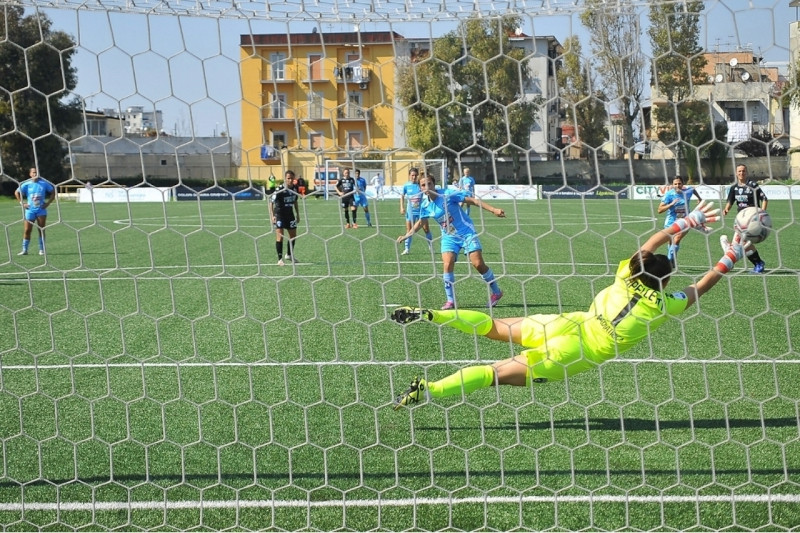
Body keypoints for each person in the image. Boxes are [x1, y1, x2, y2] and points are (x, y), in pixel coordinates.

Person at [391, 201, 748, 409]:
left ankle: (432, 314)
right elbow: (699, 288)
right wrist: (728, 258)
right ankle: (430, 389)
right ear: (664, 282)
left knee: (495, 327)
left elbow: (651, 244)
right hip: (577, 353)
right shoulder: (663, 305)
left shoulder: (625, 275)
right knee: (494, 373)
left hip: (567, 322)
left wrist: (687, 221)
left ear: (638, 268)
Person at [397, 174, 505, 310]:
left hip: (466, 232)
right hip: (449, 237)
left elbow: (473, 201)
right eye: (423, 185)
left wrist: (493, 210)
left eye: (429, 184)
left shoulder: (447, 194)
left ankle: (496, 292)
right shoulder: (425, 204)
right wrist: (407, 235)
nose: (427, 187)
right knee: (447, 264)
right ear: (420, 187)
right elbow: (420, 222)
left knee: (478, 264)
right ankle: (450, 301)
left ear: (434, 184)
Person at [721, 164, 768, 273]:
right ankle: (758, 263)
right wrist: (726, 209)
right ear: (736, 173)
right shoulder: (734, 187)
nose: (741, 173)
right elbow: (730, 201)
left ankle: (730, 261)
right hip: (740, 220)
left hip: (751, 220)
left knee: (739, 243)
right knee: (744, 244)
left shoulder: (753, 185)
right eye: (739, 171)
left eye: (743, 171)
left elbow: (764, 199)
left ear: (746, 172)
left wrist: (762, 212)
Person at [657, 176, 704, 263]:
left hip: (685, 221)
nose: (677, 185)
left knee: (677, 238)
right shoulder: (669, 195)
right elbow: (659, 210)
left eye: (679, 183)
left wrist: (699, 198)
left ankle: (670, 260)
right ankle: (672, 257)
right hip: (671, 221)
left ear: (683, 184)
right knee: (671, 241)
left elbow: (693, 189)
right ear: (672, 185)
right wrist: (671, 204)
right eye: (675, 184)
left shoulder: (688, 191)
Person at [14, 167, 55, 256]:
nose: (35, 174)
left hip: (41, 210)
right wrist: (22, 203)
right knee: (27, 230)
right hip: (30, 210)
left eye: (36, 172)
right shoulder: (26, 184)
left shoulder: (44, 183)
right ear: (30, 174)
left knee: (41, 229)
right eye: (33, 172)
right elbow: (17, 192)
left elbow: (53, 192)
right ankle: (25, 250)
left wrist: (48, 203)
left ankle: (41, 249)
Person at [269, 170, 301, 266]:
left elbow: (295, 201)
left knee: (293, 235)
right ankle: (280, 259)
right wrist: (272, 216)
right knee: (280, 236)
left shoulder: (294, 189)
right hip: (279, 215)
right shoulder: (279, 189)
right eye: (288, 178)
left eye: (292, 178)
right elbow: (271, 202)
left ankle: (289, 255)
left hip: (290, 215)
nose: (290, 180)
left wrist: (298, 214)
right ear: (285, 179)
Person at [399, 167, 433, 255]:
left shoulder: (420, 184)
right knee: (409, 230)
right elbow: (402, 196)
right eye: (412, 175)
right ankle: (407, 249)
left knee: (426, 229)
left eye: (415, 175)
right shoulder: (406, 185)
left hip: (421, 211)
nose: (414, 177)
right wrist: (402, 207)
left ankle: (431, 246)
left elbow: (427, 192)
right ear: (409, 176)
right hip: (410, 211)